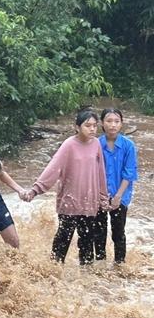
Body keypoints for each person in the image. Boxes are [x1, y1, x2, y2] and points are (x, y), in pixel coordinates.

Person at [23, 109, 109, 265]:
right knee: (63, 239)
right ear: (77, 127)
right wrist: (35, 190)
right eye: (87, 125)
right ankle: (53, 272)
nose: (92, 129)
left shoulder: (96, 144)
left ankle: (86, 280)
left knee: (87, 242)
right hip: (69, 202)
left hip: (89, 203)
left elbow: (100, 172)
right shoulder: (69, 145)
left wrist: (103, 197)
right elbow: (53, 168)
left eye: (95, 126)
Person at [94, 108, 138, 264]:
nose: (112, 125)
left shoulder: (128, 146)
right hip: (98, 196)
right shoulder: (96, 144)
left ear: (121, 124)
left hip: (121, 195)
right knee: (98, 232)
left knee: (118, 232)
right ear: (102, 123)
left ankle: (120, 265)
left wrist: (118, 196)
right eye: (109, 121)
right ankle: (99, 265)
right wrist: (102, 196)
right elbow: (92, 172)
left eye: (116, 121)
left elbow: (129, 173)